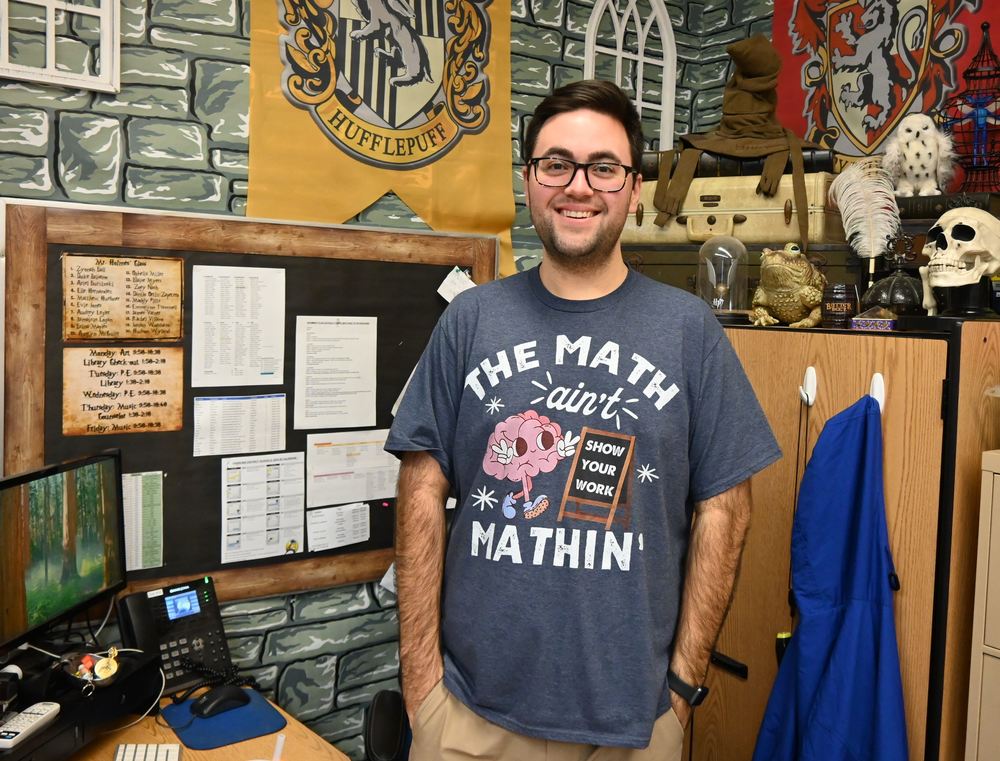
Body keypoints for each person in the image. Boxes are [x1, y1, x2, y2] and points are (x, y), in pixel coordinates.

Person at [386, 79, 781, 761]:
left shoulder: (689, 331)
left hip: (633, 727)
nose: (578, 186)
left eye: (604, 167)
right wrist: (420, 682)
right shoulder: (469, 322)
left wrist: (683, 688)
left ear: (633, 188)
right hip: (472, 720)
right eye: (556, 163)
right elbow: (420, 491)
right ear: (529, 180)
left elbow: (728, 509)